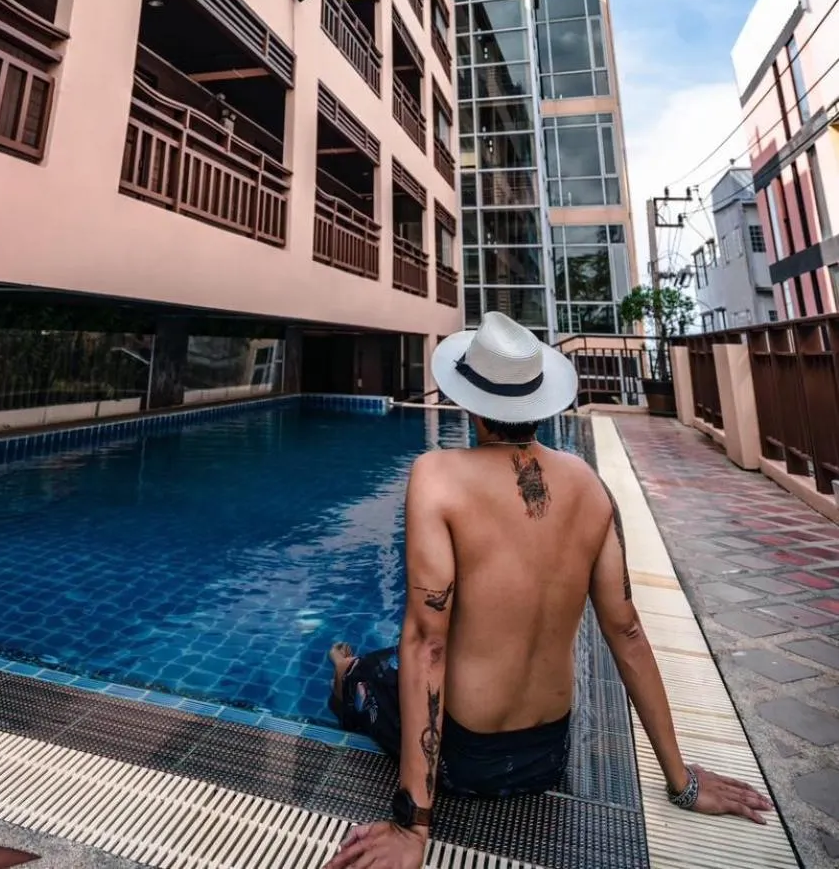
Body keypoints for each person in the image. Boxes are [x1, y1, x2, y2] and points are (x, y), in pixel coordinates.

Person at [321, 312, 771, 869]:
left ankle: (344, 681)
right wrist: (682, 781)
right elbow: (626, 630)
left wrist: (412, 827)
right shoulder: (589, 483)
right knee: (404, 656)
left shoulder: (436, 476)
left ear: (470, 402)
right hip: (547, 755)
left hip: (465, 757)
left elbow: (428, 646)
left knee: (374, 670)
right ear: (537, 401)